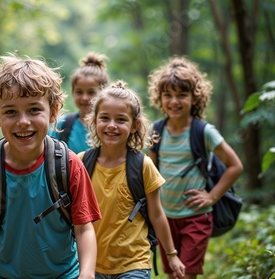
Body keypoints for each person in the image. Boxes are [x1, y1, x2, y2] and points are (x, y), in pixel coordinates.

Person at [0, 53, 102, 279]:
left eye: (34, 109)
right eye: (11, 111)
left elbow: (84, 229)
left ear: (52, 111)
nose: (23, 121)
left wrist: (87, 273)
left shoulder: (68, 164)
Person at [147, 56, 243, 279]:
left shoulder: (204, 132)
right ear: (159, 98)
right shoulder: (156, 130)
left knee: (187, 274)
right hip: (165, 217)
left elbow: (235, 166)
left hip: (196, 217)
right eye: (168, 95)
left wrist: (211, 197)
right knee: (172, 273)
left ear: (194, 97)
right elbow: (151, 171)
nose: (174, 101)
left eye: (182, 95)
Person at [79, 80, 186, 279]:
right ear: (94, 121)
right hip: (91, 264)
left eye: (121, 120)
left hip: (133, 263)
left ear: (134, 125)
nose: (112, 125)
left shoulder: (143, 166)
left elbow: (157, 215)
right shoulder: (81, 162)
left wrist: (171, 255)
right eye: (105, 118)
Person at [49, 52, 109, 153]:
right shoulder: (62, 125)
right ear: (73, 92)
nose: (85, 98)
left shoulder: (109, 127)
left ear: (103, 94)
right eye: (79, 92)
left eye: (91, 92)